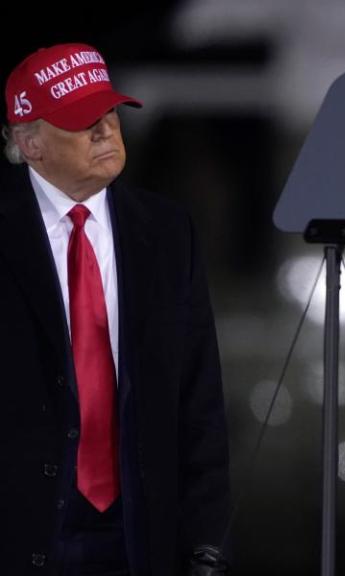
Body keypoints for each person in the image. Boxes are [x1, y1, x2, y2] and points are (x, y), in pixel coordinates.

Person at [1, 43, 229, 574]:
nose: (106, 130)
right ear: (29, 142)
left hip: (139, 536)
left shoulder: (169, 231)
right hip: (24, 532)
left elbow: (201, 400)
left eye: (109, 112)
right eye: (83, 120)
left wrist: (207, 545)